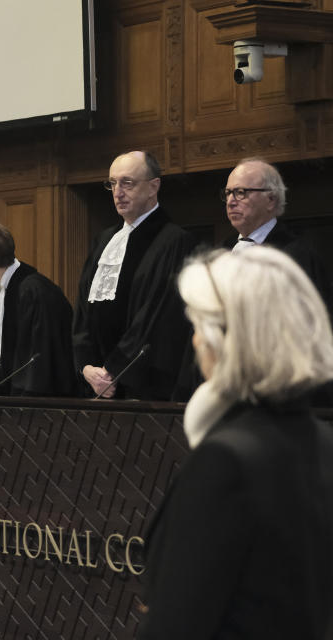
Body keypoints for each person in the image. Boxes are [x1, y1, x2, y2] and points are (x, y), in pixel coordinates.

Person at [138, 246, 333, 639]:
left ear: (224, 339)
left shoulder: (225, 461)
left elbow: (178, 624)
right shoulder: (323, 442)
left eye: (197, 328)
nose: (194, 343)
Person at [73, 151, 196, 400]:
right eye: (112, 183)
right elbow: (84, 309)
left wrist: (115, 369)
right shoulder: (104, 240)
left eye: (127, 183)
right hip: (97, 383)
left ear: (153, 187)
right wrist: (87, 366)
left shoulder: (175, 242)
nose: (118, 192)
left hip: (143, 386)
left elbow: (157, 315)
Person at [0, 222, 75, 396]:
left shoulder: (34, 292)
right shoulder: (0, 289)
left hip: (39, 401)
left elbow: (37, 360)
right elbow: (2, 353)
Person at [221, 157, 332, 307]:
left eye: (240, 192)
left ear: (271, 199)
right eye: (228, 193)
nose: (230, 202)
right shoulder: (220, 252)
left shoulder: (298, 256)